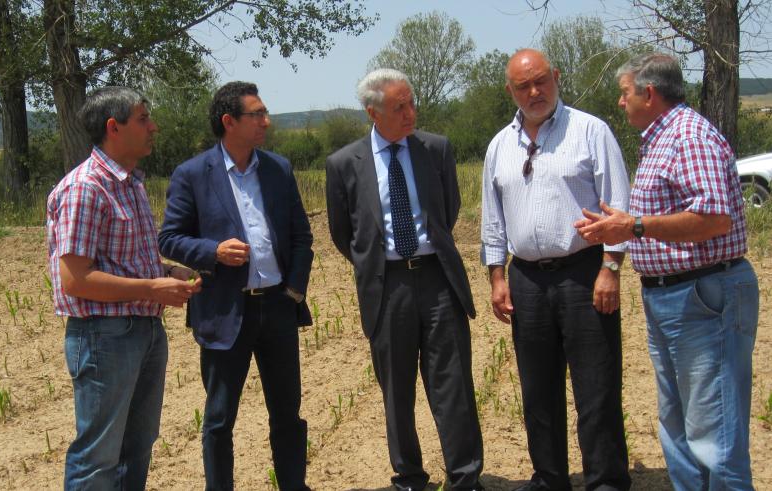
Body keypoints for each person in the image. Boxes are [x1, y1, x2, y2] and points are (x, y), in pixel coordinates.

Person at [575, 52, 759, 491]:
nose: (621, 103)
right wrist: (625, 223)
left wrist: (633, 225)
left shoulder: (688, 136)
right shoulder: (660, 139)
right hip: (673, 298)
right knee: (677, 427)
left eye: (624, 93)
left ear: (648, 93)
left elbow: (714, 217)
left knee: (715, 431)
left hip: (703, 295)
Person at [325, 68, 484, 491]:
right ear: (372, 112)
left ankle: (465, 475)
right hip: (387, 286)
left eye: (412, 102)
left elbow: (447, 213)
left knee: (453, 383)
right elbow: (346, 235)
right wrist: (378, 264)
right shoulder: (343, 164)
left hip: (437, 280)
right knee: (397, 389)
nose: (411, 113)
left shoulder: (436, 149)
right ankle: (410, 477)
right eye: (400, 107)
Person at [480, 48, 631, 491]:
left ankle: (605, 481)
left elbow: (616, 204)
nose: (534, 91)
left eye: (541, 80)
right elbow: (493, 219)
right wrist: (497, 276)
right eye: (523, 85)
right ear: (510, 91)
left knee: (596, 387)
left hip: (584, 273)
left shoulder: (590, 131)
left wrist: (610, 268)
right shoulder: (499, 146)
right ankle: (549, 478)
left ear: (556, 77)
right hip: (526, 278)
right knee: (538, 391)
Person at [158, 81, 314, 491]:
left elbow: (302, 237)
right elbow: (169, 238)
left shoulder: (278, 168)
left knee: (287, 414)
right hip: (225, 311)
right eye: (257, 114)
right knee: (219, 418)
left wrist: (294, 291)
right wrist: (212, 251)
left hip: (278, 308)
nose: (266, 121)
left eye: (265, 113)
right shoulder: (193, 174)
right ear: (229, 122)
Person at [46, 86, 202, 490]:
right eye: (144, 119)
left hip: (144, 332)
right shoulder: (85, 187)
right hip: (104, 337)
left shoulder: (129, 183)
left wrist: (168, 272)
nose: (154, 127)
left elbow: (122, 259)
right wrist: (152, 287)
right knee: (98, 457)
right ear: (114, 128)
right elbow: (75, 279)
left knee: (137, 448)